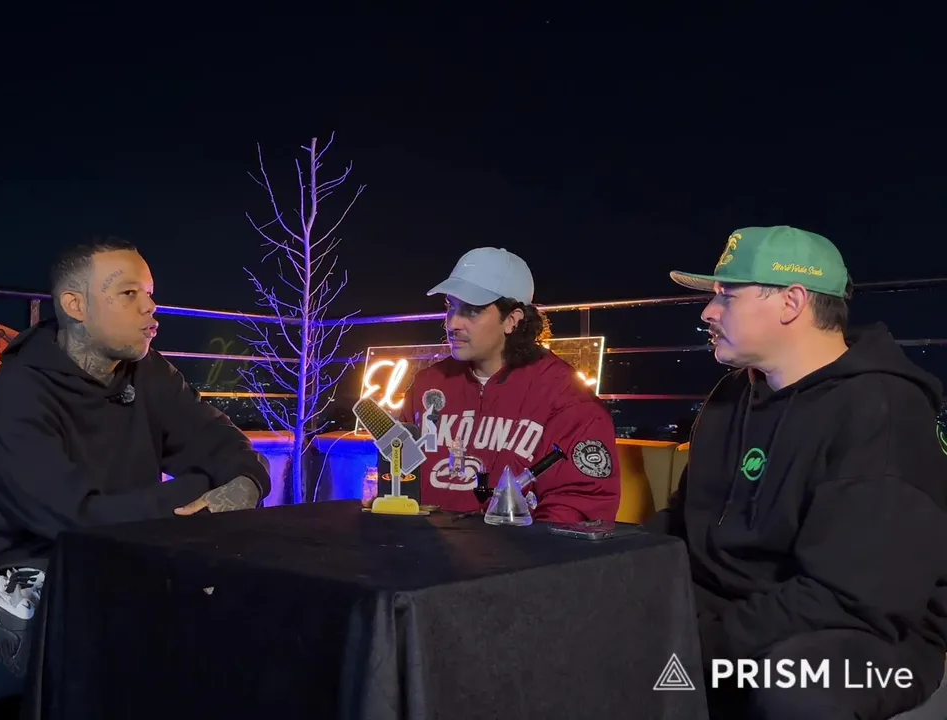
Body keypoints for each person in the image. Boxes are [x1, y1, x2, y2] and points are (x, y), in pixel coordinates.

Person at [655, 226, 947, 719]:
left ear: (791, 302)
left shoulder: (881, 411)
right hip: (738, 607)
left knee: (798, 686)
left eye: (727, 295)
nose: (708, 312)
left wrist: (702, 642)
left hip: (871, 635)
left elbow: (855, 595)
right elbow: (687, 523)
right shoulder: (730, 396)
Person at [0, 237, 271, 677]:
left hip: (122, 546)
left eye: (150, 293)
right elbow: (71, 517)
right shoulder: (17, 392)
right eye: (129, 293)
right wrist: (198, 493)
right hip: (19, 558)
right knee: (120, 632)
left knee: (255, 603)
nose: (150, 307)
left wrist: (246, 482)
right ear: (75, 305)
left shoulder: (151, 373)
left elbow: (223, 444)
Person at [392, 247, 622, 521]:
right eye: (450, 306)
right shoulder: (427, 384)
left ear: (512, 320)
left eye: (471, 311)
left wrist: (514, 545)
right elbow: (397, 478)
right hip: (421, 543)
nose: (453, 323)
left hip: (515, 548)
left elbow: (580, 503)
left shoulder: (565, 396)